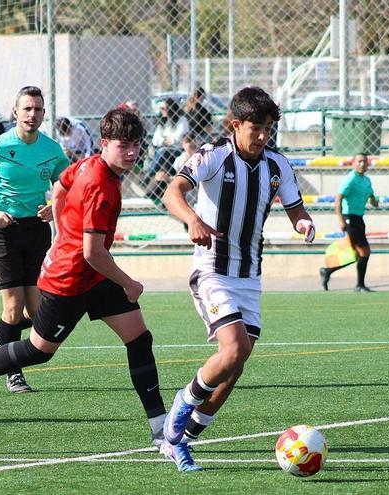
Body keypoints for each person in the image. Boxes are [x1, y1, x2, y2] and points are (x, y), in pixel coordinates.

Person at [0, 108, 170, 451]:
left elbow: (61, 188)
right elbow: (93, 252)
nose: (132, 152)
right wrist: (129, 282)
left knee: (139, 339)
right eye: (124, 144)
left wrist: (62, 221)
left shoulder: (86, 164)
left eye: (136, 144)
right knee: (39, 350)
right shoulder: (101, 185)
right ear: (105, 143)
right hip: (69, 280)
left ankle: (160, 429)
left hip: (93, 275)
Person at [161, 86, 316, 471]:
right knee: (232, 350)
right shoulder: (212, 158)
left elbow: (295, 208)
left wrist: (304, 223)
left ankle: (183, 439)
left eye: (268, 129)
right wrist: (193, 219)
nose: (263, 137)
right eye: (255, 129)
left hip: (249, 276)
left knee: (237, 363)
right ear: (235, 125)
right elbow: (172, 192)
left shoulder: (278, 166)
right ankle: (177, 415)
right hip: (212, 268)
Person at [0, 86, 69, 393]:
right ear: (15, 112)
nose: (32, 115)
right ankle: (14, 373)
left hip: (36, 230)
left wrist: (55, 206)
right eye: (27, 109)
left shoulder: (52, 149)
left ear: (44, 114)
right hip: (3, 230)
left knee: (38, 314)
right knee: (13, 308)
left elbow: (68, 183)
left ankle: (2, 333)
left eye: (38, 110)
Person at [319, 153, 378, 292]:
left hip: (359, 218)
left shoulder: (366, 180)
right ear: (353, 163)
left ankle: (327, 271)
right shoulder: (350, 179)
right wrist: (341, 220)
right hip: (350, 218)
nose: (362, 164)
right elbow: (338, 198)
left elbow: (371, 197)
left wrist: (374, 201)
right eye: (359, 161)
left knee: (356, 254)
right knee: (364, 252)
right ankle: (360, 285)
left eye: (365, 161)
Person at [145, 98, 188, 200]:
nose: (163, 110)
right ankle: (156, 193)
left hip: (178, 150)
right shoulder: (163, 122)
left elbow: (176, 139)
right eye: (161, 108)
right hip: (165, 153)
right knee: (165, 164)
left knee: (163, 152)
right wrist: (165, 141)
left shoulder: (181, 120)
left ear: (172, 108)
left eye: (165, 108)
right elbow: (156, 140)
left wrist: (164, 140)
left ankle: (148, 177)